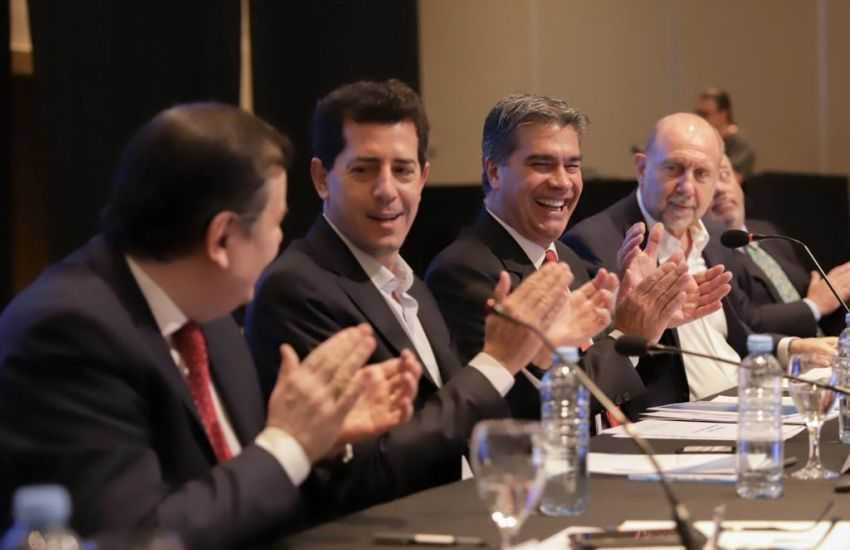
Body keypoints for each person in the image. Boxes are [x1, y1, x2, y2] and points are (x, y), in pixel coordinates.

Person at [0, 103, 421, 550]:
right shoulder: (67, 333)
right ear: (222, 238)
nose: (280, 240)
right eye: (276, 223)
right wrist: (289, 443)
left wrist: (319, 436)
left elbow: (238, 481)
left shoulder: (211, 311)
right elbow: (141, 537)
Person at [245, 80, 571, 515]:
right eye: (364, 170)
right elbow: (363, 472)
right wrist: (498, 361)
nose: (387, 190)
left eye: (403, 170)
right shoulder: (297, 288)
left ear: (423, 178)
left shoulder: (409, 282)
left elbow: (456, 417)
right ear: (322, 179)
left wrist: (533, 354)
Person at [426, 93, 726, 419]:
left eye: (572, 165)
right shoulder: (464, 270)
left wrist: (650, 322)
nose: (562, 182)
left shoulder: (566, 259)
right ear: (494, 171)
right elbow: (530, 410)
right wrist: (627, 333)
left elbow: (607, 387)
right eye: (542, 164)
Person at [564, 113, 835, 405]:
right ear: (642, 168)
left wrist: (792, 348)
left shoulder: (715, 237)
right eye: (674, 169)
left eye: (702, 174)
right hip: (673, 417)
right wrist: (638, 317)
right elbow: (596, 367)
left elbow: (740, 331)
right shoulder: (596, 243)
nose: (687, 187)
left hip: (740, 400)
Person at [709, 155, 850, 336]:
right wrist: (813, 305)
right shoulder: (707, 256)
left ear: (738, 180)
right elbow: (744, 322)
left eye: (724, 175)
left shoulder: (766, 230)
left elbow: (811, 291)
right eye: (708, 180)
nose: (720, 189)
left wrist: (835, 292)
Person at [695, 87, 756, 181]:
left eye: (705, 114)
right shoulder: (701, 140)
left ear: (723, 114)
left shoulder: (741, 146)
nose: (700, 119)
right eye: (698, 113)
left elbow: (729, 180)